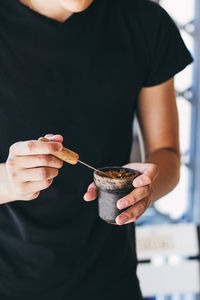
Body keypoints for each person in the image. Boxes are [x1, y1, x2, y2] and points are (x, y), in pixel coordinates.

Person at [0, 0, 193, 299]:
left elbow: (166, 152)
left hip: (111, 284)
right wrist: (6, 182)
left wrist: (147, 187)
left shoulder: (144, 22)